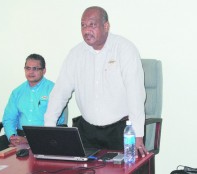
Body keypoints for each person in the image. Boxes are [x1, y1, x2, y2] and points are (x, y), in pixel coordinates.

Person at [44, 6, 148, 157]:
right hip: (87, 131)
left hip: (120, 131)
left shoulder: (124, 49)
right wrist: (49, 130)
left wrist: (138, 135)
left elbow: (135, 94)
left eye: (92, 25)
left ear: (106, 26)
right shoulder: (76, 54)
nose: (86, 30)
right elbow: (59, 92)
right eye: (83, 25)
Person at [0, 54, 66, 155]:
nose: (31, 72)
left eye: (35, 68)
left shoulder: (54, 90)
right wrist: (12, 137)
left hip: (45, 135)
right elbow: (9, 118)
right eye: (28, 68)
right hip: (19, 134)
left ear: (43, 71)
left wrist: (28, 139)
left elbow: (58, 122)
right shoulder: (17, 92)